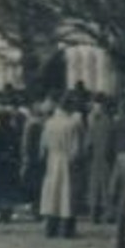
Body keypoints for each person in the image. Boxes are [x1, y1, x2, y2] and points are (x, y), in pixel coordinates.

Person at [38, 95, 86, 238]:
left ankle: (50, 227)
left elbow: (43, 145)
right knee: (67, 194)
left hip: (53, 159)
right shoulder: (73, 124)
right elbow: (77, 148)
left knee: (52, 194)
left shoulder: (49, 123)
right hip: (67, 160)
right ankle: (67, 229)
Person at [0, 107, 24, 223]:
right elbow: (18, 149)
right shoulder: (13, 133)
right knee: (8, 190)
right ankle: (7, 211)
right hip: (9, 165)